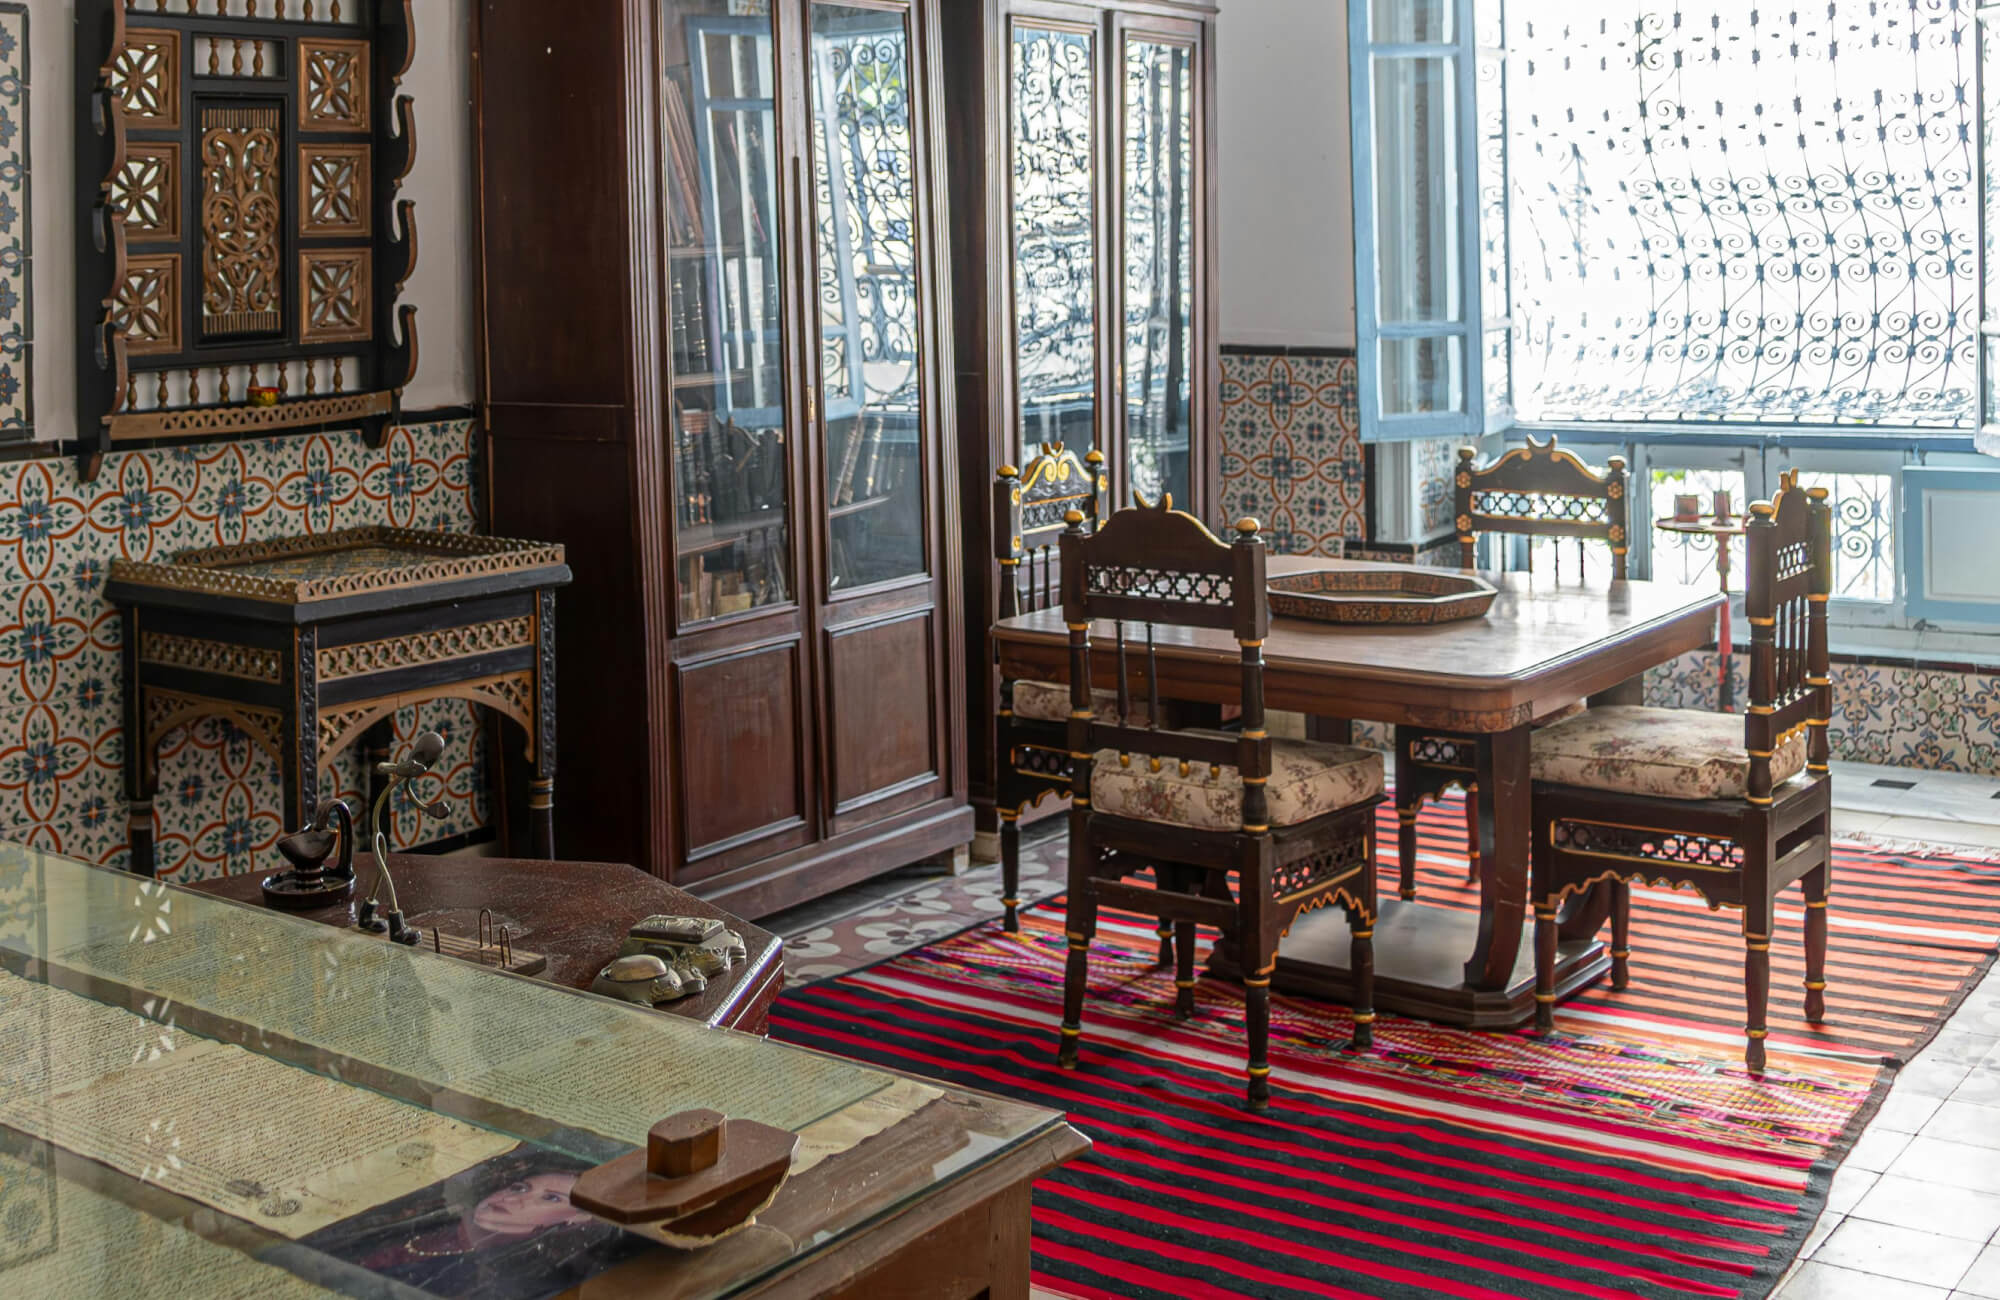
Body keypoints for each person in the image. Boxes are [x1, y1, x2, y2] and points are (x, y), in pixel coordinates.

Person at [301, 1146, 642, 1298]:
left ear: (577, 1220)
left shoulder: (505, 1281)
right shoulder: (416, 1219)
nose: (513, 1197)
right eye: (521, 1186)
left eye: (550, 1198)